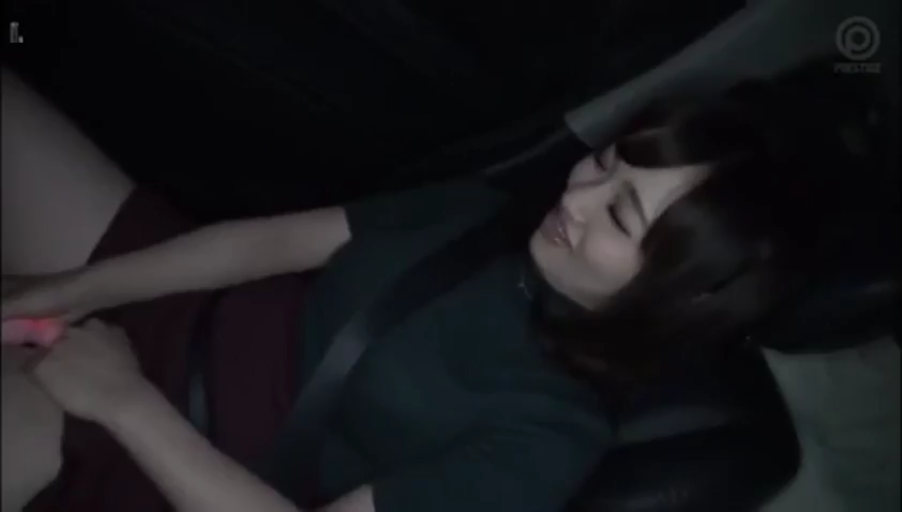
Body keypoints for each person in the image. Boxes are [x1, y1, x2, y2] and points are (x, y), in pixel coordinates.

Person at [0, 62, 881, 512]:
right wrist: (70, 287)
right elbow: (269, 243)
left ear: (680, 293)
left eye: (619, 216)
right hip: (184, 303)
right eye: (607, 164)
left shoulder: (548, 437)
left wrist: (123, 402)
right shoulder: (482, 214)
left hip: (176, 450)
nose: (577, 196)